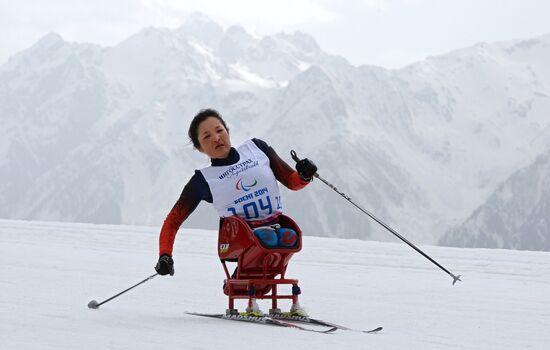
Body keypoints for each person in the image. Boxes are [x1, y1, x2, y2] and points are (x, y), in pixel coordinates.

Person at [154, 108, 317, 312]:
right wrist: (165, 255)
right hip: (240, 238)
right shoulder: (203, 180)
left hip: (275, 228)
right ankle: (243, 284)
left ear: (228, 131)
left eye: (219, 130)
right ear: (199, 148)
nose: (216, 138)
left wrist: (304, 175)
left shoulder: (257, 149)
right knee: (266, 238)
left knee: (289, 237)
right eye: (207, 136)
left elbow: (292, 182)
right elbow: (173, 220)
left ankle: (263, 290)